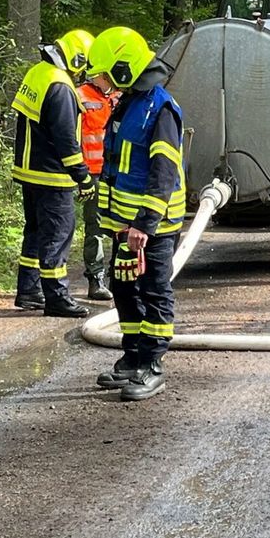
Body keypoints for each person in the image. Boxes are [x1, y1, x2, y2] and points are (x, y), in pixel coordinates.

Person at [87, 27, 186, 402]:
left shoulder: (160, 110)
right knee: (124, 288)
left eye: (104, 73)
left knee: (154, 290)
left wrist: (145, 224)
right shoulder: (128, 102)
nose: (100, 81)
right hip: (123, 226)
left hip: (151, 228)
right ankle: (132, 355)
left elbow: (163, 173)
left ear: (124, 68)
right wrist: (119, 224)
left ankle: (152, 364)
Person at [11, 30, 96, 317]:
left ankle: (29, 290)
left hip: (29, 172)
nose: (85, 71)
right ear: (77, 58)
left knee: (35, 232)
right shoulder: (60, 86)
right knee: (58, 235)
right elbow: (65, 139)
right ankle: (57, 297)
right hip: (52, 174)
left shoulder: (39, 73)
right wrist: (82, 175)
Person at [76, 34, 118, 302]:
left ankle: (119, 276)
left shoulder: (118, 97)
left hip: (114, 172)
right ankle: (96, 278)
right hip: (90, 173)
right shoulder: (79, 96)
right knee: (95, 225)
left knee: (118, 223)